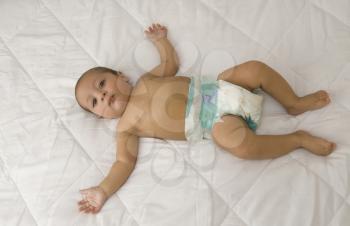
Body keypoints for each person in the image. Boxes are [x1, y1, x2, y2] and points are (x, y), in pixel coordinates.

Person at [74, 23, 336, 214]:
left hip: (219, 88)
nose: (103, 94)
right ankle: (298, 139)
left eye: (101, 83)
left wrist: (161, 41)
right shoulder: (125, 129)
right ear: (99, 116)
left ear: (121, 76)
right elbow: (122, 162)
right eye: (94, 101)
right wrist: (103, 190)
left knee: (254, 68)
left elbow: (170, 63)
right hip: (215, 123)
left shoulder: (146, 79)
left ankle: (294, 102)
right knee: (237, 144)